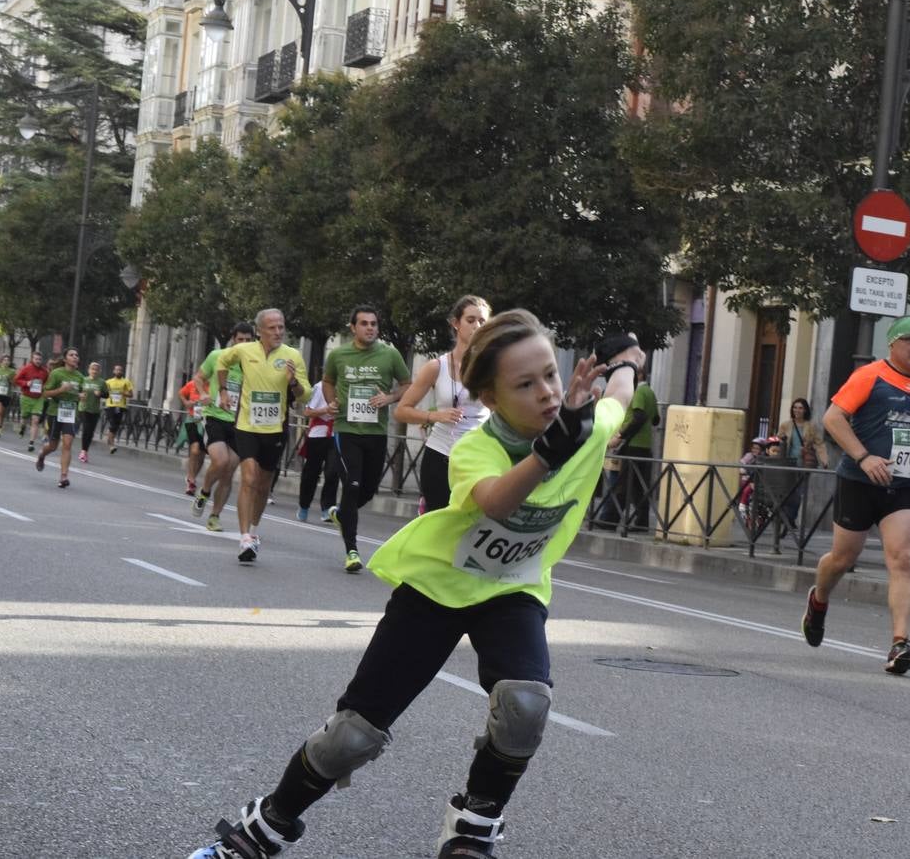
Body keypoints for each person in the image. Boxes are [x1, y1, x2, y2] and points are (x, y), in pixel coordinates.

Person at [188, 310, 644, 859]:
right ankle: (261, 832)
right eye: (525, 384)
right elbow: (499, 501)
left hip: (511, 590)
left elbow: (619, 391)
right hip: (437, 589)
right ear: (492, 399)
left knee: (526, 704)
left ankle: (474, 827)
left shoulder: (587, 429)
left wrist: (628, 359)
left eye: (550, 375)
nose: (546, 393)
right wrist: (552, 449)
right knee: (351, 737)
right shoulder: (479, 447)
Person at [800, 316, 910, 675]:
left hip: (902, 484)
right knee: (842, 558)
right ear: (892, 344)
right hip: (859, 481)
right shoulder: (869, 375)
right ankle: (819, 598)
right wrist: (863, 456)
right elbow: (833, 418)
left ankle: (900, 643)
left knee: (902, 559)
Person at [216, 309, 311, 563]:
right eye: (272, 328)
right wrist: (224, 391)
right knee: (249, 477)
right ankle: (245, 537)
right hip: (247, 425)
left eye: (281, 327)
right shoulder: (245, 351)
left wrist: (293, 383)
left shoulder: (292, 355)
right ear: (260, 331)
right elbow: (221, 362)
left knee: (263, 483)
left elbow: (306, 395)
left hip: (275, 428)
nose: (278, 332)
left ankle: (254, 531)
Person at [323, 305, 411, 573]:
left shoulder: (390, 354)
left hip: (376, 432)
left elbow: (407, 385)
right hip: (347, 430)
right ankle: (352, 549)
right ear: (353, 327)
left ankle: (341, 514)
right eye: (364, 323)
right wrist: (331, 402)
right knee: (351, 484)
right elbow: (327, 381)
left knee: (368, 490)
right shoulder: (338, 354)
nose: (370, 328)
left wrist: (390, 398)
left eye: (374, 323)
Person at [394, 296, 492, 514]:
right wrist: (434, 416)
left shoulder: (492, 367)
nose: (477, 326)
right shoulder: (436, 367)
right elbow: (402, 411)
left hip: (478, 458)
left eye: (482, 321)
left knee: (470, 524)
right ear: (456, 323)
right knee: (438, 526)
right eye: (471, 320)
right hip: (441, 455)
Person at [191, 323, 255, 532]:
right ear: (233, 340)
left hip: (239, 422)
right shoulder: (217, 356)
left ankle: (215, 516)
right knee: (221, 461)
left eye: (248, 340)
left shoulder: (254, 364)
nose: (244, 344)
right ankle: (205, 491)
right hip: (215, 417)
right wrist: (202, 393)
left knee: (229, 471)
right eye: (240, 340)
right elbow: (198, 378)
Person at [600, 365, 659, 530]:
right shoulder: (650, 392)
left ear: (639, 375)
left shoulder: (639, 392)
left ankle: (609, 520)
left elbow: (639, 417)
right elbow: (655, 420)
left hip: (632, 445)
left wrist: (621, 436)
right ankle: (641, 522)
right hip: (645, 446)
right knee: (639, 488)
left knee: (622, 485)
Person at [34, 348, 87, 489]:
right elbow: (45, 393)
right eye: (71, 355)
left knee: (68, 443)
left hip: (70, 413)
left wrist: (82, 396)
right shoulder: (56, 374)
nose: (75, 357)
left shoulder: (80, 377)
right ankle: (42, 455)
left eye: (77, 355)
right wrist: (61, 390)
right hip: (55, 412)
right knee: (53, 446)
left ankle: (64, 476)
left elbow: (81, 393)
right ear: (65, 359)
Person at [777, 396, 829, 526]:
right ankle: (785, 516)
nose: (797, 410)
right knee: (787, 491)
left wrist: (824, 459)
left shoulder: (810, 426)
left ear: (805, 410)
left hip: (804, 463)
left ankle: (791, 517)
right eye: (795, 407)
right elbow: (778, 442)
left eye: (800, 408)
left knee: (798, 494)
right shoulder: (785, 425)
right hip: (788, 463)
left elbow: (819, 443)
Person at [296, 371, 340, 523]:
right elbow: (307, 411)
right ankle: (304, 506)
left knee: (333, 472)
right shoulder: (320, 387)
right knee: (311, 473)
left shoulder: (346, 388)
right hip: (318, 434)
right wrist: (325, 410)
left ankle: (327, 509)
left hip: (337, 434)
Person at [14, 351, 50, 452]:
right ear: (32, 359)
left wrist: (45, 387)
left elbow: (48, 383)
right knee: (24, 417)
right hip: (26, 397)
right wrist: (26, 383)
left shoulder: (45, 371)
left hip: (38, 398)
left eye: (39, 359)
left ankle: (31, 443)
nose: (38, 361)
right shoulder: (26, 368)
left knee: (35, 420)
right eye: (36, 359)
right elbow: (16, 380)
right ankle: (23, 427)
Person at [178, 377, 208, 491]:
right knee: (195, 450)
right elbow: (181, 393)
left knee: (201, 453)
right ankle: (191, 479)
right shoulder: (192, 384)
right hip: (193, 419)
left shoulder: (214, 387)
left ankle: (193, 478)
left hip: (206, 421)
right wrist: (186, 402)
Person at [77, 361, 108, 463]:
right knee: (86, 429)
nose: (94, 371)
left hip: (95, 410)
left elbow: (107, 395)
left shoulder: (101, 382)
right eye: (92, 369)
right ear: (89, 370)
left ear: (99, 371)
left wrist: (100, 394)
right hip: (84, 408)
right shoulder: (83, 380)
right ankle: (83, 451)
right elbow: (77, 391)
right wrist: (80, 395)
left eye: (96, 369)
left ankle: (85, 451)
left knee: (90, 432)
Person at [103, 363, 133, 454]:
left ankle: (108, 436)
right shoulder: (108, 382)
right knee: (112, 424)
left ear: (122, 371)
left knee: (115, 426)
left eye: (120, 370)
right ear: (114, 371)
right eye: (117, 370)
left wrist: (123, 393)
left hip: (120, 406)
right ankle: (111, 445)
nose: (119, 371)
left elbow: (131, 395)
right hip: (110, 406)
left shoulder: (126, 382)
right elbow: (104, 393)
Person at [0, 354, 16, 438]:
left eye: (8, 360)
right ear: (1, 361)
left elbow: (15, 384)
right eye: (5, 360)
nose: (6, 362)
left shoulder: (12, 371)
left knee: (3, 413)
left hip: (7, 394)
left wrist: (10, 380)